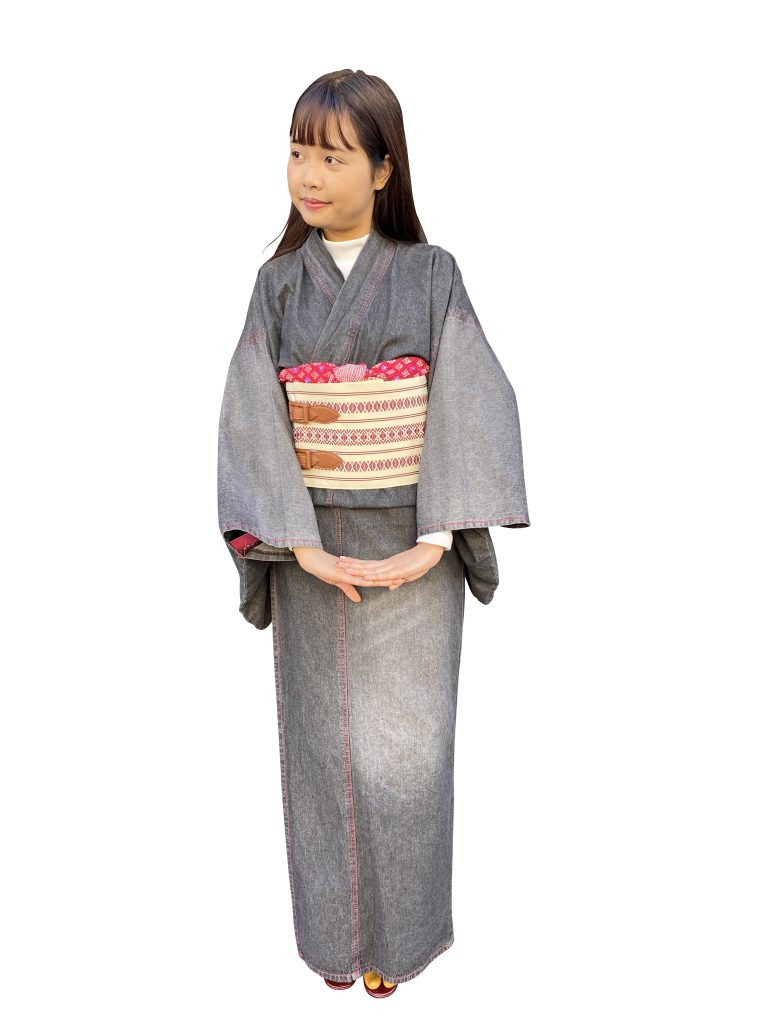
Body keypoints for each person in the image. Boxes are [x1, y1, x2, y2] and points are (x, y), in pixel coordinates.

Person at [217, 69, 530, 998]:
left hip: (413, 543)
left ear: (384, 168)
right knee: (321, 752)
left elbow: (472, 394)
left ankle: (400, 942)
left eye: (333, 156)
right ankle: (334, 940)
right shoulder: (277, 285)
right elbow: (249, 414)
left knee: (409, 757)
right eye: (298, 153)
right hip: (308, 543)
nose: (309, 175)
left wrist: (438, 536)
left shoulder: (432, 275)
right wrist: (298, 543)